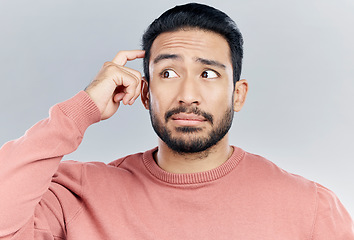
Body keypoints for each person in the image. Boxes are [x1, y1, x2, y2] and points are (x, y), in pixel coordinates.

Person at [0, 3, 353, 239]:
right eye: (167, 72)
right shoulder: (78, 194)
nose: (187, 94)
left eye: (209, 74)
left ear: (239, 94)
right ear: (146, 93)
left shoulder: (311, 208)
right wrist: (80, 110)